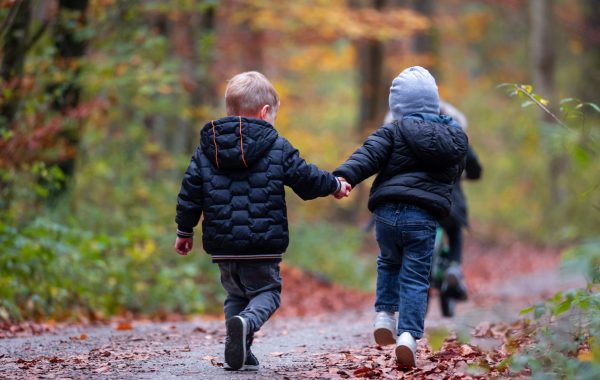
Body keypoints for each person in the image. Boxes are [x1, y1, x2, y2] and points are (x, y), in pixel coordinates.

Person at [173, 71, 351, 371]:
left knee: (235, 294)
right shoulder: (275, 145)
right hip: (262, 243)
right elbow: (305, 178)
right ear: (264, 112)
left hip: (223, 246)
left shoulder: (208, 147)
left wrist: (184, 230)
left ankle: (240, 347)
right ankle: (246, 324)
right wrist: (334, 185)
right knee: (267, 292)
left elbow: (190, 191)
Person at [333, 66, 468, 368]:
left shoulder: (391, 131)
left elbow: (366, 156)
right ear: (434, 102)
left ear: (396, 106)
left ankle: (384, 315)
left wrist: (343, 178)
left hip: (386, 213)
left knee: (388, 262)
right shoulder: (454, 138)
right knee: (416, 277)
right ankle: (408, 336)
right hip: (422, 218)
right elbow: (456, 173)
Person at [437, 101, 483, 302]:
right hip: (449, 199)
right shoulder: (457, 136)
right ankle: (454, 266)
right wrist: (466, 174)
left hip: (416, 199)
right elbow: (475, 169)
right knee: (454, 230)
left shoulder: (408, 130)